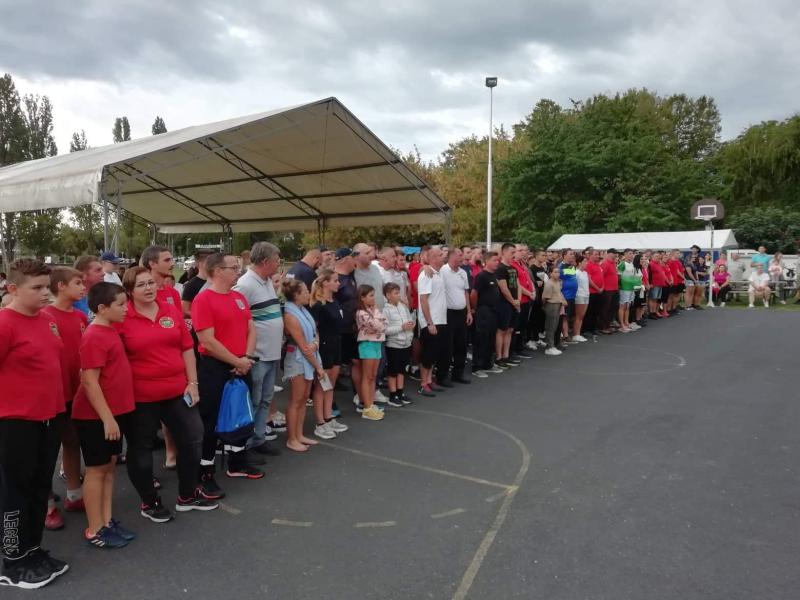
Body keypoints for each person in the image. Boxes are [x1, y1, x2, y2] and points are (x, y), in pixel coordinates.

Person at [118, 267, 216, 523]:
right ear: (129, 291)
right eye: (141, 285)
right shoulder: (122, 316)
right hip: (141, 396)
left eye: (151, 283)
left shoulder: (170, 309)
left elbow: (186, 348)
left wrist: (192, 383)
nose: (149, 288)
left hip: (177, 390)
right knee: (141, 450)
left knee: (193, 438)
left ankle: (187, 495)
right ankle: (149, 502)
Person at [0, 259, 70, 588]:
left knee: (40, 486)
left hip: (49, 416)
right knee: (15, 491)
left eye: (47, 286)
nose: (46, 293)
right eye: (37, 288)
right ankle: (12, 562)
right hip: (15, 422)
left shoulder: (46, 319)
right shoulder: (5, 324)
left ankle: (33, 550)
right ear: (13, 289)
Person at [191, 253, 262, 497]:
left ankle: (237, 463)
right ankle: (205, 472)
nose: (238, 271)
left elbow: (251, 328)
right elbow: (207, 341)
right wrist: (236, 361)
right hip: (216, 368)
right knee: (211, 420)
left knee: (241, 414)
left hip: (242, 364)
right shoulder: (203, 300)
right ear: (218, 271)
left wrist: (246, 358)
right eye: (233, 267)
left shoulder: (239, 297)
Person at [72, 282, 136, 549]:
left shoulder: (109, 330)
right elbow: (89, 381)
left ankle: (107, 520)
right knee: (97, 470)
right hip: (95, 416)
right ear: (102, 308)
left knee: (108, 467)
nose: (126, 309)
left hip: (112, 413)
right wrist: (107, 418)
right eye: (120, 304)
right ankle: (95, 528)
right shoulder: (94, 336)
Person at [42, 268, 88, 530]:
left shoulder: (80, 316)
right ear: (61, 286)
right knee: (47, 451)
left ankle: (74, 495)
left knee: (73, 441)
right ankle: (47, 505)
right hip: (53, 393)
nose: (83, 287)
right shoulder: (45, 315)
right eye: (78, 283)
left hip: (76, 390)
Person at [233, 242, 285, 454]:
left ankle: (259, 438)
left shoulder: (266, 281)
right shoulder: (245, 285)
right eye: (277, 260)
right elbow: (236, 320)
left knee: (265, 399)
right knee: (254, 401)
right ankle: (246, 445)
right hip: (257, 355)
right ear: (265, 262)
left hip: (271, 353)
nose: (279, 264)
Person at [282, 279, 325, 450]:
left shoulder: (303, 311)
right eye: (305, 291)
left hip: (308, 357)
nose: (309, 293)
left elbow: (315, 332)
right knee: (296, 399)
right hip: (297, 360)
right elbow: (303, 347)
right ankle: (291, 438)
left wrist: (315, 343)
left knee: (304, 397)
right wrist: (318, 367)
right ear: (296, 295)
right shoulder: (290, 316)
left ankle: (299, 434)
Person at [308, 270, 348, 439]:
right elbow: (313, 328)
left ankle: (328, 416)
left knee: (330, 384)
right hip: (324, 348)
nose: (338, 283)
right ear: (325, 282)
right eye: (335, 280)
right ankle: (320, 422)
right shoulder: (318, 305)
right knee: (321, 386)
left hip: (336, 345)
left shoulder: (335, 302)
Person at [417, 246, 449, 395]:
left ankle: (429, 380)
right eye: (441, 255)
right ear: (434, 258)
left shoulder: (438, 273)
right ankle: (423, 384)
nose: (444, 257)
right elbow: (423, 299)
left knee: (434, 353)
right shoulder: (426, 274)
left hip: (440, 320)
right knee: (428, 354)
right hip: (431, 321)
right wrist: (429, 323)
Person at [441, 247, 473, 385]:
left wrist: (469, 311)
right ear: (452, 256)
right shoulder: (442, 271)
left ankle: (458, 374)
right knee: (447, 346)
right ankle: (442, 376)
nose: (463, 258)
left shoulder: (463, 272)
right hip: (448, 313)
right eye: (460, 255)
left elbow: (466, 292)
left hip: (462, 312)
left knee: (461, 344)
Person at [355, 285, 386, 421]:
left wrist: (378, 319)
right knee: (367, 376)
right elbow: (377, 325)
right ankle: (366, 407)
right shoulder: (361, 313)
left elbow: (384, 324)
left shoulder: (374, 310)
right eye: (371, 295)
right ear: (362, 298)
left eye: (374, 295)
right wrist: (378, 321)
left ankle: (371, 404)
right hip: (367, 344)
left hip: (377, 343)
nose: (374, 298)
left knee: (373, 376)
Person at [470, 251, 503, 377]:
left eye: (498, 260)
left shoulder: (494, 275)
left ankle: (488, 364)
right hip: (484, 311)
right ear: (487, 261)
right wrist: (476, 308)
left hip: (494, 311)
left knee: (490, 338)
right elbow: (474, 294)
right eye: (494, 260)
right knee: (481, 338)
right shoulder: (481, 276)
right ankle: (477, 367)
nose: (497, 263)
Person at [382, 282, 414, 406]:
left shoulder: (403, 306)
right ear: (388, 295)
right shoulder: (385, 310)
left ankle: (400, 392)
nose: (399, 295)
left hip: (406, 343)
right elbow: (385, 330)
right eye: (395, 293)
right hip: (394, 345)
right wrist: (401, 327)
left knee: (402, 369)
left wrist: (411, 324)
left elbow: (410, 319)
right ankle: (392, 394)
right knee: (393, 370)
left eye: (398, 293)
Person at [494, 243, 520, 368]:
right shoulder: (500, 268)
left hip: (514, 303)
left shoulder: (513, 268)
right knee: (502, 330)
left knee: (510, 330)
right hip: (504, 304)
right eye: (512, 252)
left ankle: (506, 355)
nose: (514, 255)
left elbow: (518, 285)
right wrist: (513, 302)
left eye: (515, 252)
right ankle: (498, 357)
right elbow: (504, 289)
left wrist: (518, 300)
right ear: (504, 252)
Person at [541, 265, 567, 356]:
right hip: (551, 305)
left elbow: (559, 293)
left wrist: (563, 301)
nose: (557, 274)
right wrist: (546, 306)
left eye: (558, 272)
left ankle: (551, 345)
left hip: (558, 305)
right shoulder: (549, 284)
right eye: (555, 272)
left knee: (554, 326)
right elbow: (544, 298)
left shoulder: (558, 282)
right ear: (550, 274)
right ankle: (549, 347)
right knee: (550, 327)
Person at [558, 250, 578, 343]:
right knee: (564, 316)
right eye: (570, 254)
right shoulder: (560, 267)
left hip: (572, 296)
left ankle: (566, 333)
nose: (572, 256)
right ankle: (565, 336)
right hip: (565, 295)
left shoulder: (571, 266)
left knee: (569, 316)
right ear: (564, 255)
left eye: (573, 254)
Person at [617, 249, 638, 333]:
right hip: (624, 288)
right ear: (625, 254)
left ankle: (626, 322)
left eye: (632, 254)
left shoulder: (632, 264)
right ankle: (621, 324)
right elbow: (618, 276)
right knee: (623, 306)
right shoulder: (622, 264)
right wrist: (621, 285)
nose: (631, 255)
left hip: (631, 288)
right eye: (630, 253)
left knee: (628, 306)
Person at [584, 249, 604, 335]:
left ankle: (594, 328)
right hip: (592, 292)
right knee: (590, 312)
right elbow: (589, 279)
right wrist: (597, 288)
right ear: (590, 255)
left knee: (596, 311)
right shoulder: (588, 265)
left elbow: (601, 277)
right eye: (595, 254)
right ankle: (587, 329)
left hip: (599, 291)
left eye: (598, 254)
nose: (597, 256)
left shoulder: (598, 265)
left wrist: (602, 287)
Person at [599, 249, 619, 334]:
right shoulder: (605, 263)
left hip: (614, 289)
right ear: (609, 254)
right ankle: (603, 327)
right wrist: (603, 287)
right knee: (605, 309)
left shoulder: (613, 263)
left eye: (616, 254)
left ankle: (608, 325)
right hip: (607, 290)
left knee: (612, 308)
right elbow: (601, 276)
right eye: (614, 253)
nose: (615, 255)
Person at [572, 255, 590, 342]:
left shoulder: (585, 273)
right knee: (578, 316)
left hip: (586, 295)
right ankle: (575, 334)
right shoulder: (576, 272)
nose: (586, 263)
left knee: (582, 316)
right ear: (579, 263)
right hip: (579, 295)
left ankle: (578, 333)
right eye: (584, 261)